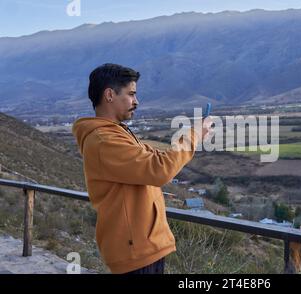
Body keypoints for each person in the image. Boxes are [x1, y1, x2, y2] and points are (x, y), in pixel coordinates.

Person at [72, 63, 211, 274]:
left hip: (143, 247)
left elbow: (153, 157)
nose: (136, 101)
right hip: (134, 252)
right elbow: (159, 169)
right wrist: (194, 136)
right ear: (109, 94)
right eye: (131, 94)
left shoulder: (117, 133)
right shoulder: (104, 140)